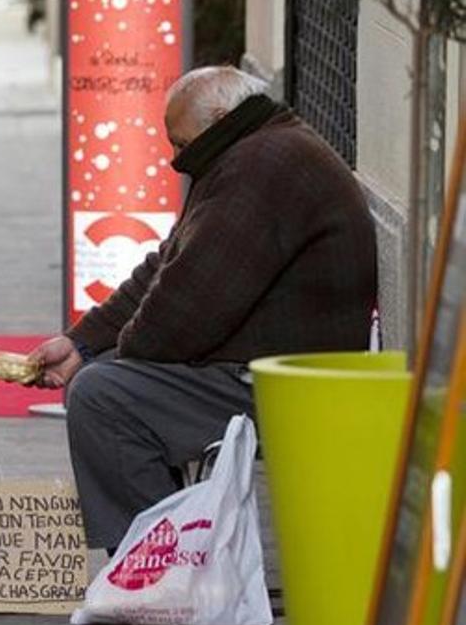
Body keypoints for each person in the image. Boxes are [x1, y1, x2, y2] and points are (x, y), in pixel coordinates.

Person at [30, 66, 376, 551]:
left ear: (218, 118)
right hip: (270, 368)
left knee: (101, 395)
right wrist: (81, 341)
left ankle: (160, 560)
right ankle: (158, 550)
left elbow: (182, 316)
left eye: (180, 144)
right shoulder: (254, 148)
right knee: (103, 375)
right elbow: (167, 264)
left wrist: (108, 356)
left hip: (283, 388)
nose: (176, 160)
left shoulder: (260, 168)